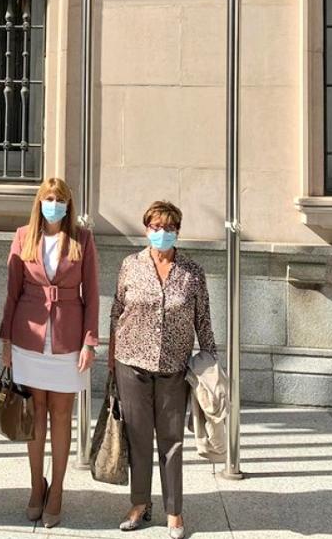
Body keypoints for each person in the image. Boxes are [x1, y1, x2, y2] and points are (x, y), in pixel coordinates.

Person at [110, 200, 216, 539]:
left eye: (169, 228)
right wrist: (112, 360)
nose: (162, 233)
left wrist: (210, 365)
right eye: (156, 227)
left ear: (178, 231)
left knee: (171, 441)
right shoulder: (130, 265)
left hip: (173, 367)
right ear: (146, 229)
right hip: (132, 363)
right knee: (138, 438)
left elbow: (203, 320)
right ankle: (139, 505)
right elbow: (117, 310)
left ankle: (174, 512)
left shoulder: (192, 272)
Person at [0, 177, 98, 528]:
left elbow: (92, 294)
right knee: (34, 416)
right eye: (48, 197)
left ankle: (57, 488)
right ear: (39, 201)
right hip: (29, 338)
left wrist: (90, 341)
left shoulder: (82, 239)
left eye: (59, 198)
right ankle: (35, 486)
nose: (53, 203)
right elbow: (12, 292)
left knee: (61, 415)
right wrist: (6, 340)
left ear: (68, 204)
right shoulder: (23, 235)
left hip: (68, 339)